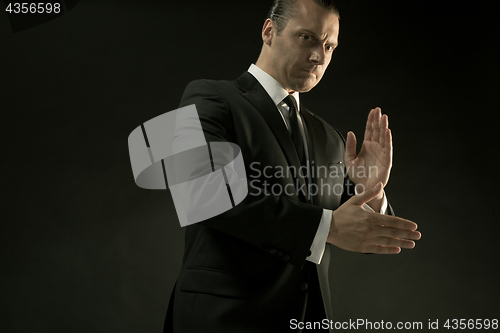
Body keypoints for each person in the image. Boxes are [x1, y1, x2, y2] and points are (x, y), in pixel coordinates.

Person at [163, 0, 421, 332]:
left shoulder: (329, 136)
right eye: (307, 38)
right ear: (269, 31)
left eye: (329, 45)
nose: (320, 55)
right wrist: (326, 227)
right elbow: (200, 194)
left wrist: (369, 191)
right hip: (222, 320)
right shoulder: (208, 98)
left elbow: (359, 231)